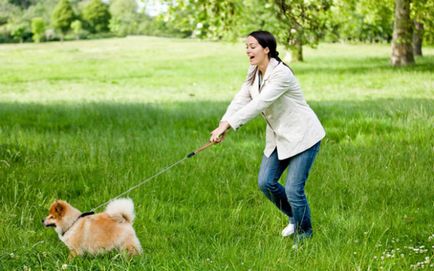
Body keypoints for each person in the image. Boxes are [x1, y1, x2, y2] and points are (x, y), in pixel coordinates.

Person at [210, 30, 325, 243]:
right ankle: (295, 217)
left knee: (293, 189)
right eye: (246, 46)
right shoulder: (254, 71)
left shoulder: (282, 74)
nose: (248, 50)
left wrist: (231, 124)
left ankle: (304, 235)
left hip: (304, 137)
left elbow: (259, 103)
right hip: (279, 137)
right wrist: (224, 123)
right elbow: (242, 97)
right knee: (266, 182)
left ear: (266, 49)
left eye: (252, 46)